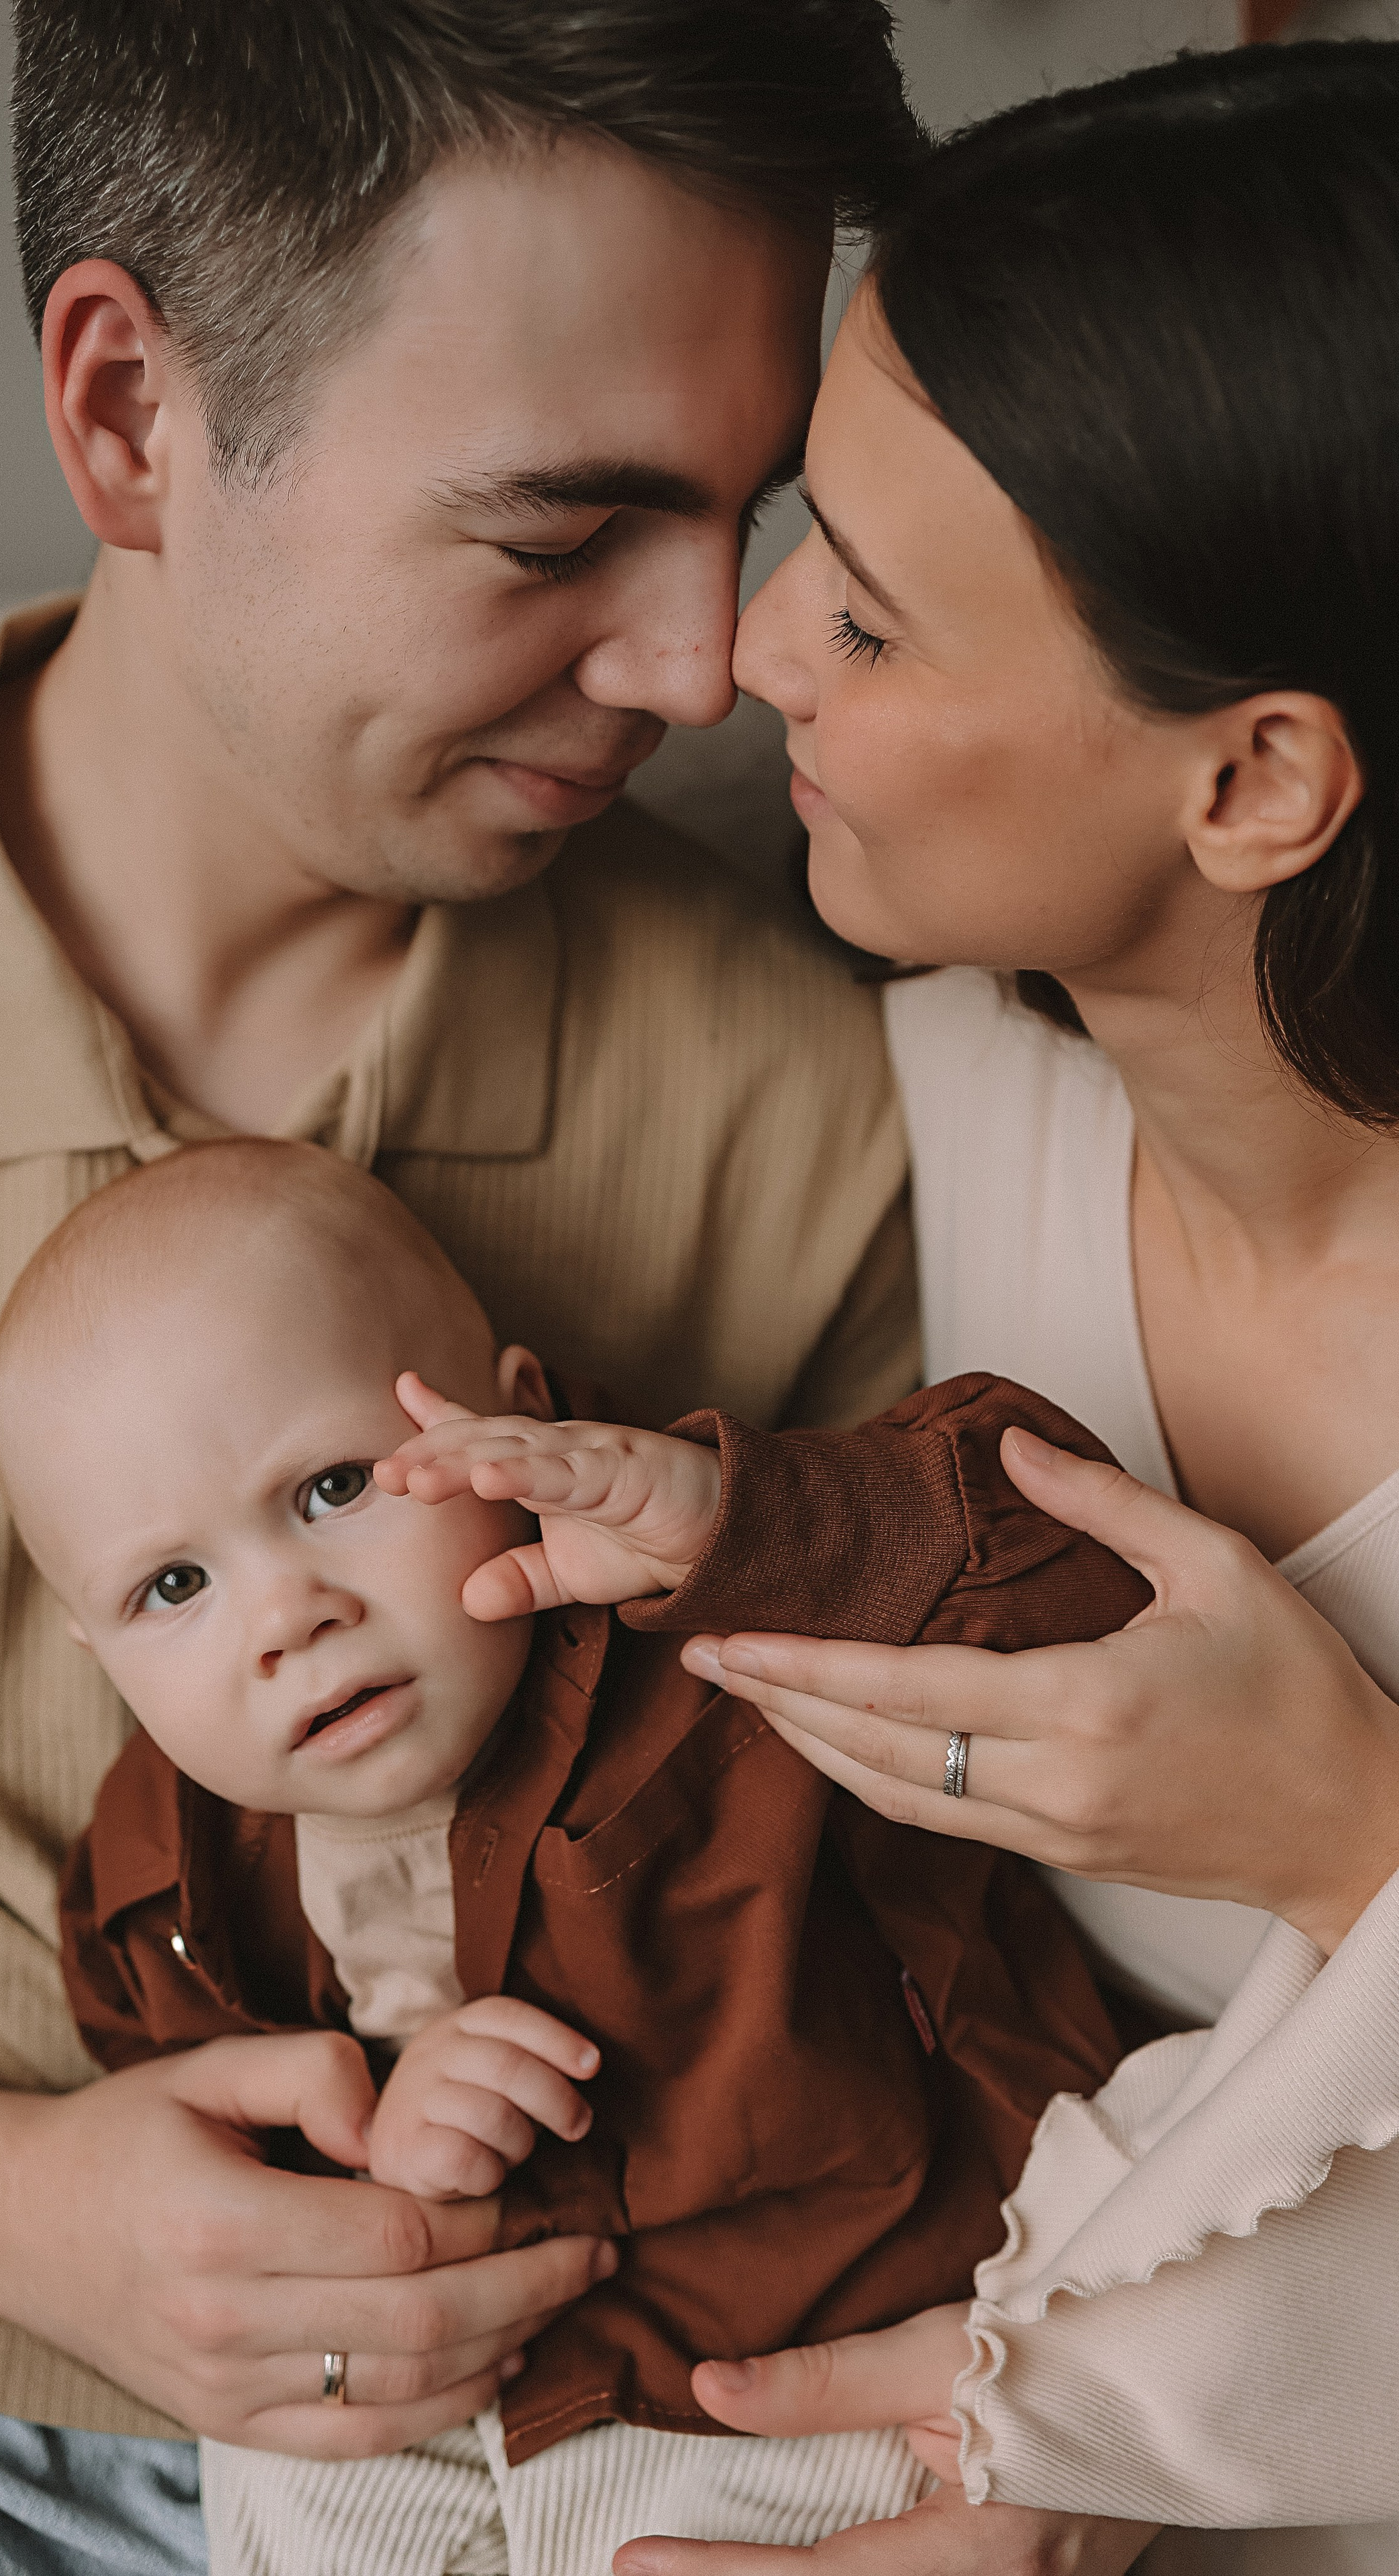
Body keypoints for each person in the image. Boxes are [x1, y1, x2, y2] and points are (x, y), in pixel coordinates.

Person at [0, 7, 928, 2573]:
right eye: (561, 532)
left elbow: (967, 1906)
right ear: (131, 411)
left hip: (594, 2436)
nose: (701, 667)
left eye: (745, 515)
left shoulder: (818, 1095)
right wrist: (4, 2211)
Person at [613, 40, 1399, 2576]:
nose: (744, 655)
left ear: (1252, 783)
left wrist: (1356, 1836)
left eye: (864, 609)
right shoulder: (934, 1109)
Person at [0, 1134, 1142, 2575]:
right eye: (173, 1585)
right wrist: (375, 2134)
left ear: (514, 1413)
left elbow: (1078, 1574)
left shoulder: (710, 1638)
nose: (284, 1615)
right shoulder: (161, 1862)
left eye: (333, 1487)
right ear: (94, 1648)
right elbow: (192, 2147)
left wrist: (742, 1523)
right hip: (410, 2402)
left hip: (796, 2361)